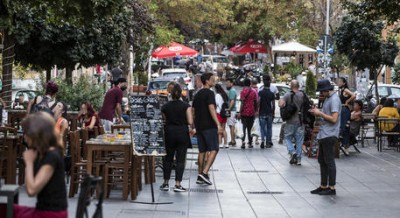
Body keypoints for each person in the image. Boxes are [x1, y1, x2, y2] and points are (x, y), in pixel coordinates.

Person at [13, 112, 68, 217]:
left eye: (26, 133)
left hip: (51, 214)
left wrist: (28, 163)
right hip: (45, 210)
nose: (24, 137)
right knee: (4, 208)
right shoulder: (45, 152)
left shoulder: (52, 156)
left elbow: (31, 190)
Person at [309, 79, 341, 195]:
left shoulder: (334, 100)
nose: (321, 94)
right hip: (324, 133)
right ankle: (323, 185)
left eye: (322, 92)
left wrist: (320, 113)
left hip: (330, 133)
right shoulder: (328, 99)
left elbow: (334, 119)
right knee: (322, 160)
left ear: (327, 90)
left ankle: (332, 187)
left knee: (329, 161)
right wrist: (317, 111)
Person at [160, 84, 194, 192]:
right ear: (181, 93)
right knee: (180, 160)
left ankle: (165, 183)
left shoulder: (165, 106)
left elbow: (163, 119)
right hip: (182, 134)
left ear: (170, 93)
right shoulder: (186, 106)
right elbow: (190, 121)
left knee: (168, 159)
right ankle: (178, 184)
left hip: (169, 133)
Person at [192, 72, 222, 185]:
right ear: (207, 81)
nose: (214, 80)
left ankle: (200, 175)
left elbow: (193, 110)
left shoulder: (198, 94)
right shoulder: (210, 93)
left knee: (202, 150)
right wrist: (218, 124)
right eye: (212, 79)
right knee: (214, 149)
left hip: (199, 126)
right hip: (209, 125)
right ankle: (204, 173)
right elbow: (212, 109)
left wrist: (193, 125)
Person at [278, 80, 305, 165]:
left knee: (288, 138)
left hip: (290, 121)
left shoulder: (287, 95)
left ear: (291, 86)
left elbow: (281, 104)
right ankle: (299, 159)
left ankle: (292, 151)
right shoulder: (303, 95)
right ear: (298, 86)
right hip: (300, 121)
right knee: (299, 140)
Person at [337, 77, 356, 152]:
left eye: (340, 82)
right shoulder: (341, 90)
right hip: (344, 109)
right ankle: (345, 146)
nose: (338, 83)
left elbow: (353, 95)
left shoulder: (345, 90)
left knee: (343, 126)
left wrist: (347, 102)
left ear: (344, 83)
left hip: (344, 110)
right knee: (345, 127)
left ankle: (344, 144)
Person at [238, 78, 257, 149]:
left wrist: (240, 112)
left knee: (244, 128)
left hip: (244, 112)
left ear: (244, 84)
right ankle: (250, 143)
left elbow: (242, 102)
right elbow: (255, 102)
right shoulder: (254, 91)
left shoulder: (243, 91)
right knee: (250, 129)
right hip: (251, 112)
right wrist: (256, 110)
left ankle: (243, 143)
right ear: (250, 83)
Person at [258, 75, 275, 148]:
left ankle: (262, 140)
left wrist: (257, 110)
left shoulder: (260, 92)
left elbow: (258, 102)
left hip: (262, 112)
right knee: (269, 128)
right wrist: (273, 112)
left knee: (262, 128)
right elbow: (273, 104)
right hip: (269, 113)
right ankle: (268, 142)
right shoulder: (271, 94)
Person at [215, 83, 229, 148]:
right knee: (223, 129)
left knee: (219, 129)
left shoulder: (217, 95)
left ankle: (220, 143)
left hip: (219, 113)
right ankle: (226, 143)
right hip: (224, 113)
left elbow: (216, 104)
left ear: (216, 89)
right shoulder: (224, 94)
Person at [225, 78, 237, 146]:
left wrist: (229, 109)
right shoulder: (231, 90)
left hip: (231, 111)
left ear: (232, 83)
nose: (227, 84)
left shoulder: (232, 91)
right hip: (232, 110)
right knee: (231, 125)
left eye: (228, 83)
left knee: (231, 125)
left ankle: (233, 140)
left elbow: (232, 101)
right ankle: (233, 140)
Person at [250, 78, 260, 145]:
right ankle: (256, 139)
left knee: (250, 124)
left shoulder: (251, 90)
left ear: (251, 83)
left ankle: (250, 139)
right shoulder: (259, 90)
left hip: (250, 110)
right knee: (257, 124)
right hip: (258, 110)